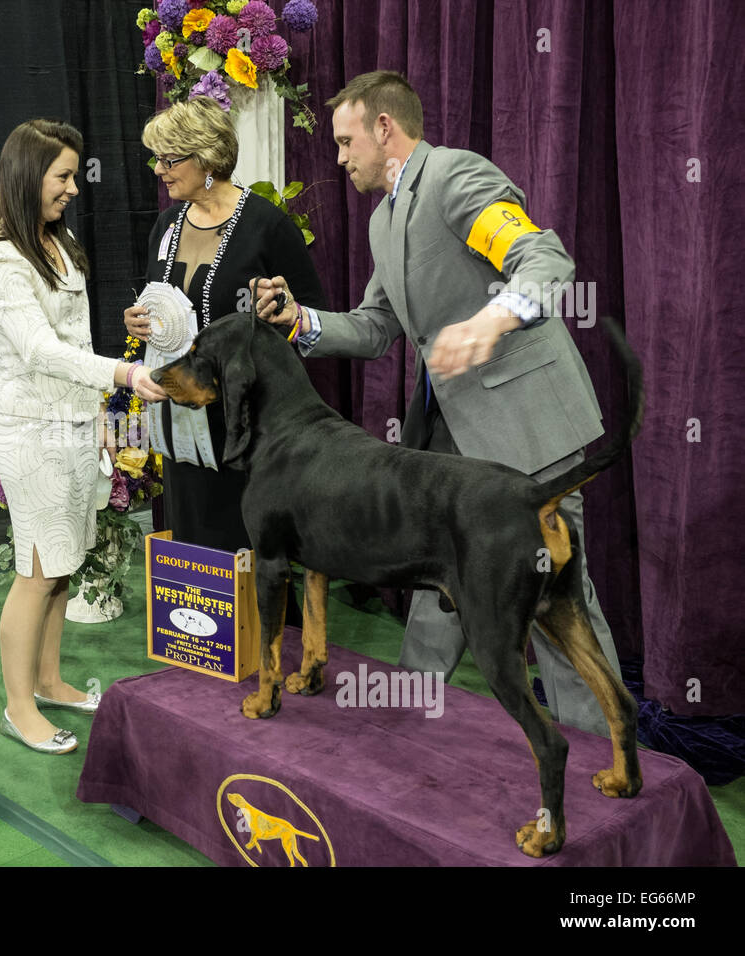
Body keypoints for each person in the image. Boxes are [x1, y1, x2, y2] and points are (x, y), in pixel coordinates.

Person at [257, 70, 621, 736]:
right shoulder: (382, 220)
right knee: (433, 593)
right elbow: (374, 327)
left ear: (385, 129)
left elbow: (544, 258)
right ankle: (406, 741)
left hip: (525, 432)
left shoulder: (455, 178)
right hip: (450, 449)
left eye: (346, 142)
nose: (339, 159)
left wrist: (492, 321)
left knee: (554, 612)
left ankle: (606, 763)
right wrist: (298, 321)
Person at [0, 119, 166, 754]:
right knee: (34, 571)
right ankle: (18, 707)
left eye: (74, 176)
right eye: (63, 176)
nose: (74, 188)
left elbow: (74, 342)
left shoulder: (58, 241)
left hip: (76, 428)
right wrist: (127, 375)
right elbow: (41, 350)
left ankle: (50, 681)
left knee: (61, 568)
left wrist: (103, 417)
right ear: (30, 178)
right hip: (30, 435)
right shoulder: (1, 259)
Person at [124, 97, 324, 552]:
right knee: (192, 534)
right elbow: (163, 304)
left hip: (245, 419)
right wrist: (139, 321)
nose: (158, 169)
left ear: (207, 159)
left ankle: (256, 624)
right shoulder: (165, 226)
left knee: (243, 539)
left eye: (169, 159)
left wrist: (282, 310)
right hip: (180, 409)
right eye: (157, 158)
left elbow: (312, 313)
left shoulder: (268, 225)